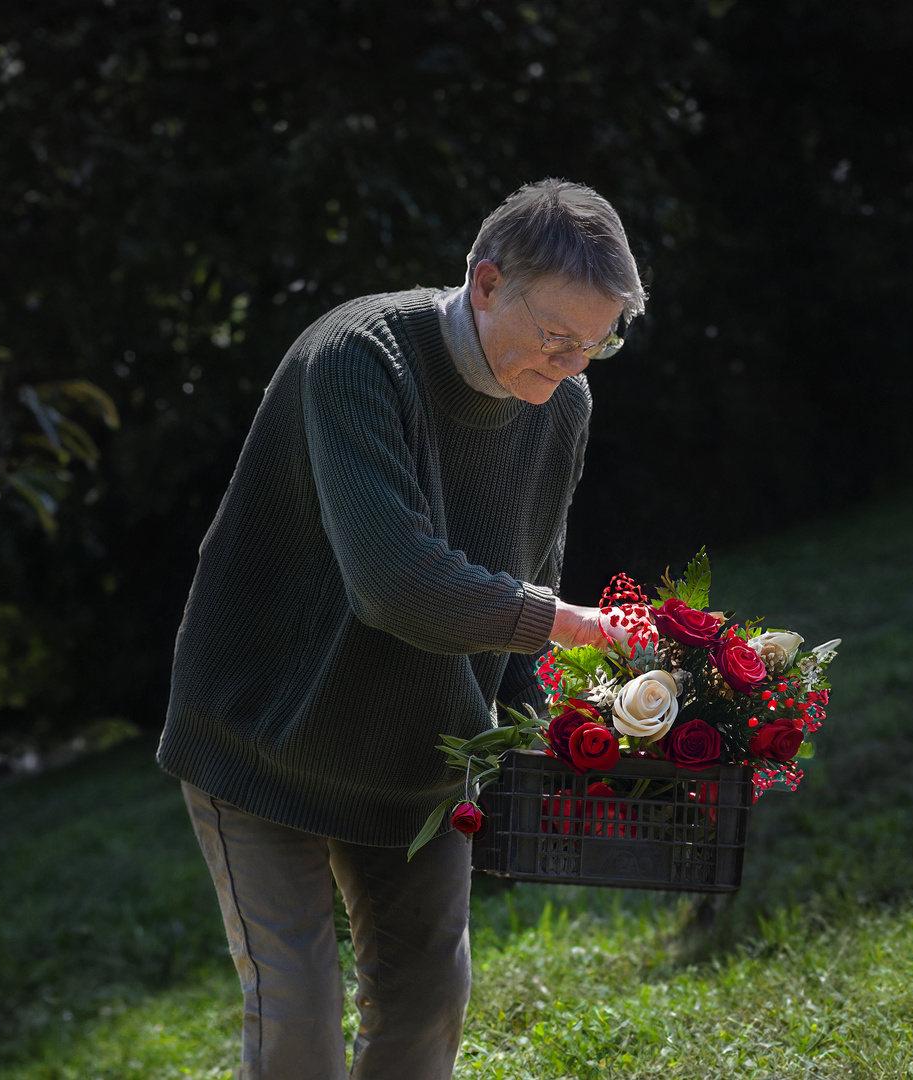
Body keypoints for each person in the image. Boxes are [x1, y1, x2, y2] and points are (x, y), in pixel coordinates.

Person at [156, 178, 639, 1079]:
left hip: (416, 755)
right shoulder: (357, 356)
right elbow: (396, 583)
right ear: (487, 283)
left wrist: (546, 732)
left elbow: (527, 576)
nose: (572, 366)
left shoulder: (559, 405)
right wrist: (569, 627)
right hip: (264, 734)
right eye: (558, 338)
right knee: (298, 1019)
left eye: (597, 345)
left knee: (425, 1008)